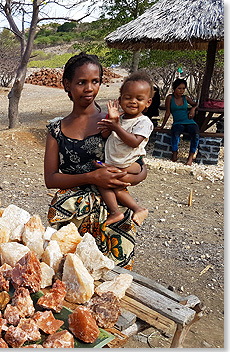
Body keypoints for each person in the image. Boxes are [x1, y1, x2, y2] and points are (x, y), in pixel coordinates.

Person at [44, 52, 147, 269]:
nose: (89, 88)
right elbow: (51, 179)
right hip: (72, 213)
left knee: (113, 277)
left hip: (114, 211)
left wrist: (130, 176)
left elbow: (140, 164)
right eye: (81, 82)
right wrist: (91, 177)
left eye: (95, 81)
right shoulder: (56, 129)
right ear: (67, 85)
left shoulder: (113, 121)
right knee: (72, 275)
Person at [97, 71, 154, 226]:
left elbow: (134, 142)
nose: (133, 101)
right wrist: (112, 120)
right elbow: (105, 135)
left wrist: (116, 127)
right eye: (128, 97)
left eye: (139, 99)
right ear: (120, 99)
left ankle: (116, 212)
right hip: (116, 162)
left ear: (148, 102)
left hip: (131, 163)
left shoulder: (144, 122)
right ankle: (136, 209)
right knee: (111, 184)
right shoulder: (119, 119)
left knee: (106, 183)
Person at [159, 78, 198, 165]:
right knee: (175, 133)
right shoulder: (170, 98)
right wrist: (162, 126)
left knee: (196, 134)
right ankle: (175, 153)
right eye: (179, 88)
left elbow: (196, 104)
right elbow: (167, 113)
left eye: (183, 88)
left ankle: (191, 156)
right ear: (174, 88)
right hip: (178, 122)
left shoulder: (186, 98)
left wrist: (193, 109)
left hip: (189, 121)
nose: (182, 91)